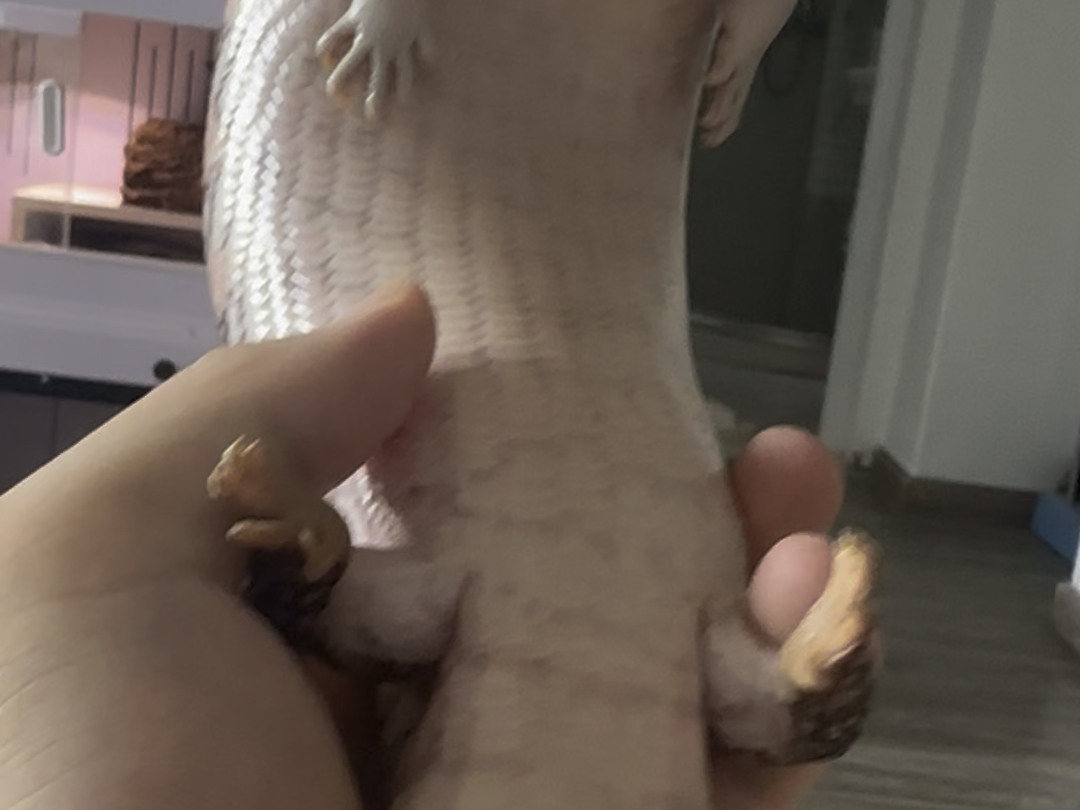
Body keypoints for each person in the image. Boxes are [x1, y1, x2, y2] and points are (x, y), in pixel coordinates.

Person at [0, 281, 844, 809]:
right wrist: (817, 693)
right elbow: (773, 717)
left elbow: (346, 611)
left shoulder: (437, 621)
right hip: (645, 613)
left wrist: (309, 555)